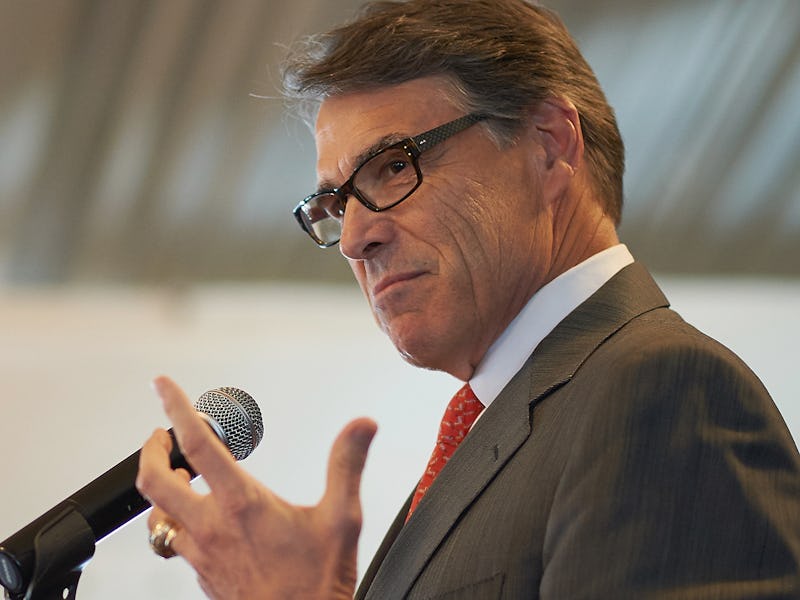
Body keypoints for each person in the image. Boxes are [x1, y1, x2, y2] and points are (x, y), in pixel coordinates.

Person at [136, 0, 800, 598]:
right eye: (335, 204)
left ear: (550, 146)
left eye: (394, 166)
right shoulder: (517, 418)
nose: (355, 239)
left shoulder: (665, 394)